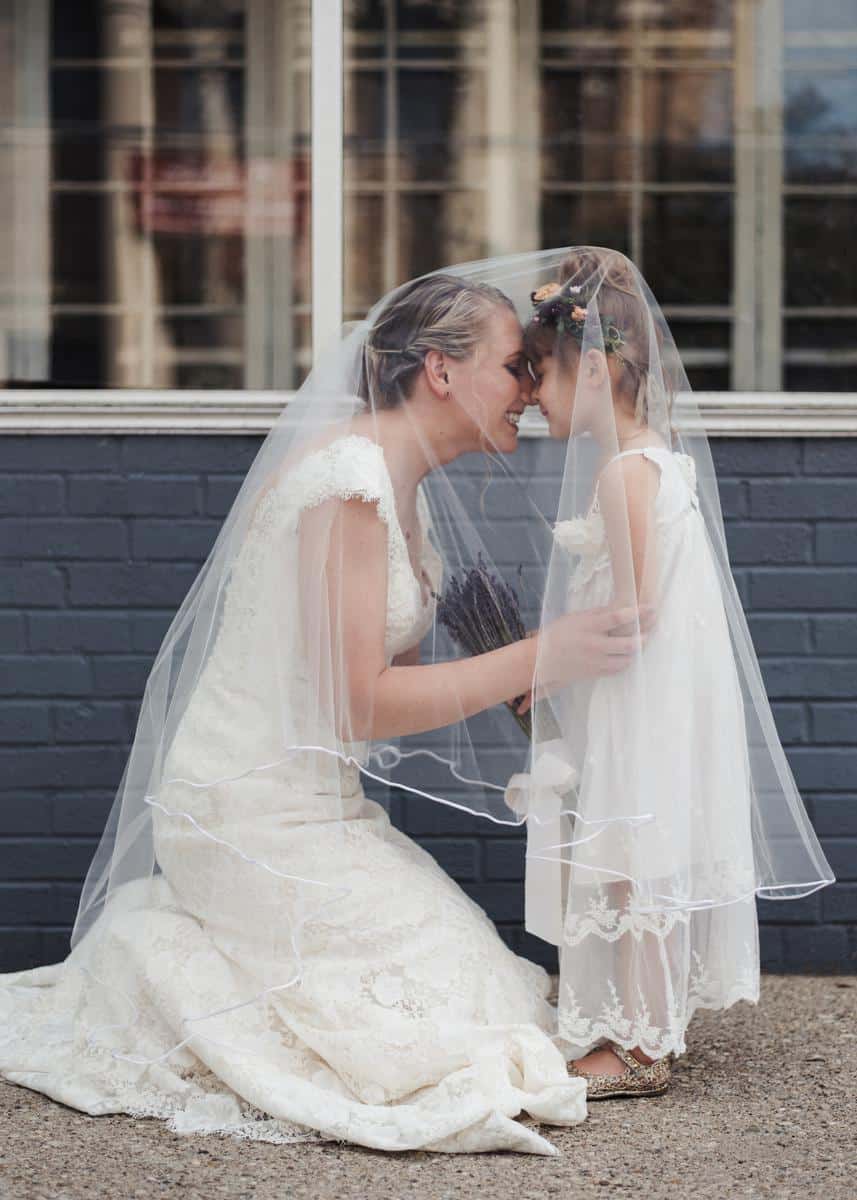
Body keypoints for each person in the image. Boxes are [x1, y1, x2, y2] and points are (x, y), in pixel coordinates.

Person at [0, 267, 650, 1155]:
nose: (532, 393)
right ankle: (153, 961)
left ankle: (174, 950)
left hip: (321, 807)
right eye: (515, 367)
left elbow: (379, 683)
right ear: (441, 370)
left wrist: (516, 677)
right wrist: (543, 651)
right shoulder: (349, 482)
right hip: (246, 809)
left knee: (496, 996)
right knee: (435, 1049)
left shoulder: (398, 485)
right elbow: (359, 705)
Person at [514, 247, 834, 1099]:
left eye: (537, 375)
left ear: (588, 374)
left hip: (635, 700)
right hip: (646, 696)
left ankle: (640, 1047)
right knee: (633, 856)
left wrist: (542, 668)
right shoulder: (653, 459)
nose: (528, 396)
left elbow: (633, 613)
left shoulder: (625, 474)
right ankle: (638, 1027)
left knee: (630, 856)